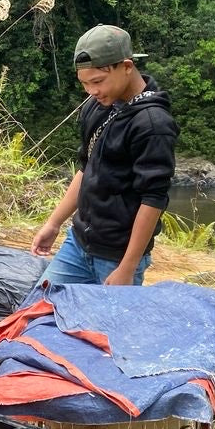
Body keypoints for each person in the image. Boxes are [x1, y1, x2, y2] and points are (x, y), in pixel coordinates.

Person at [30, 25, 178, 285]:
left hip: (117, 258)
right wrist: (54, 223)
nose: (92, 91)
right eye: (85, 84)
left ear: (127, 66)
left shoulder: (153, 124)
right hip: (78, 245)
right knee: (39, 310)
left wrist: (127, 268)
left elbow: (153, 198)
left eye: (97, 81)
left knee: (105, 327)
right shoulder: (96, 107)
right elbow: (85, 169)